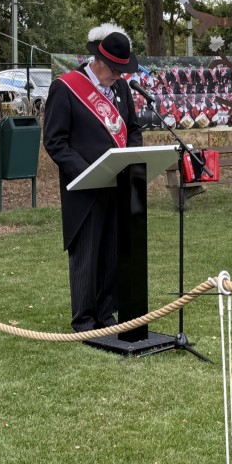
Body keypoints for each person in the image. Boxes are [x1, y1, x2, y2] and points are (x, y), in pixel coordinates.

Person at [43, 24, 143, 332]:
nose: (119, 76)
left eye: (122, 71)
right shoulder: (66, 87)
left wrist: (132, 160)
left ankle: (105, 313)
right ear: (97, 61)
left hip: (119, 183)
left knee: (113, 250)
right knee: (87, 253)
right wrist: (85, 170)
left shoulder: (122, 89)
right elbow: (55, 141)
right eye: (115, 69)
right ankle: (84, 319)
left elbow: (134, 129)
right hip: (86, 186)